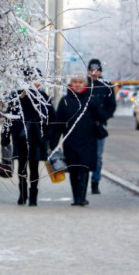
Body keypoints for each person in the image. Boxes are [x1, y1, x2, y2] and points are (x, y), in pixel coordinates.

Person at [7, 68, 54, 206]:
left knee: (34, 168)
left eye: (38, 80)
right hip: (20, 137)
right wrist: (6, 137)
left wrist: (47, 136)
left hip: (37, 139)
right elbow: (9, 117)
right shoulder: (16, 96)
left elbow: (52, 118)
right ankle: (22, 194)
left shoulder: (43, 97)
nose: (36, 83)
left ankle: (33, 196)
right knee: (21, 167)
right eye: (33, 80)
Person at [50, 75, 99, 206]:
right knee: (73, 169)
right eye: (75, 82)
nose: (77, 84)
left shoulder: (91, 100)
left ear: (85, 84)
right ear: (71, 84)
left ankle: (81, 198)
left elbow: (100, 117)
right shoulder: (65, 100)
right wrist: (54, 142)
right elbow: (59, 122)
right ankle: (76, 196)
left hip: (88, 140)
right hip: (70, 140)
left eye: (80, 82)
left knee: (84, 168)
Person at [85, 58, 117, 194]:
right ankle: (83, 182)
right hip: (84, 127)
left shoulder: (106, 86)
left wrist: (102, 115)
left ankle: (95, 182)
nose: (94, 73)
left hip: (99, 126)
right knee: (85, 155)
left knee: (98, 156)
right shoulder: (83, 85)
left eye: (96, 70)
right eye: (91, 70)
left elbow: (112, 106)